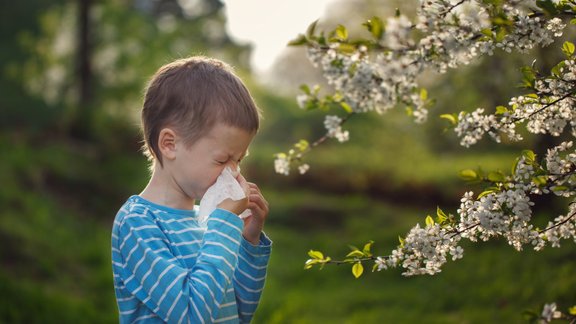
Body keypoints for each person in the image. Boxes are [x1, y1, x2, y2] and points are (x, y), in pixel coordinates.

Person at [111, 56, 272, 323]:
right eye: (222, 160)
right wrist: (223, 224)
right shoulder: (137, 224)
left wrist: (248, 241)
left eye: (239, 160)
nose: (233, 172)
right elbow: (192, 314)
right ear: (170, 144)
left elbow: (240, 313)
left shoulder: (209, 221)